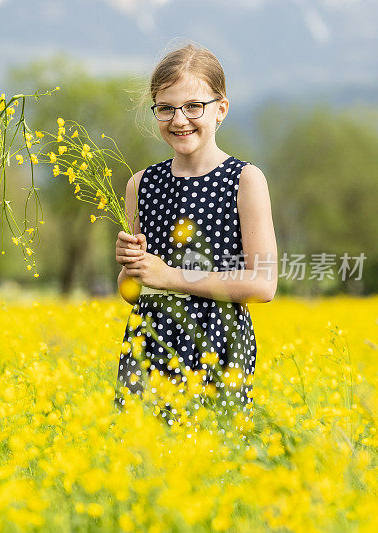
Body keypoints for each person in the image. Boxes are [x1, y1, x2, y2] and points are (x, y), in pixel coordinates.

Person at [114, 44, 277, 431]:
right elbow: (131, 291)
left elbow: (264, 283)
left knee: (211, 474)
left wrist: (170, 276)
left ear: (220, 109)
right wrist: (131, 268)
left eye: (193, 106)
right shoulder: (141, 184)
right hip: (148, 344)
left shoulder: (245, 180)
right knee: (141, 471)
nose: (179, 119)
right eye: (165, 108)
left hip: (217, 347)